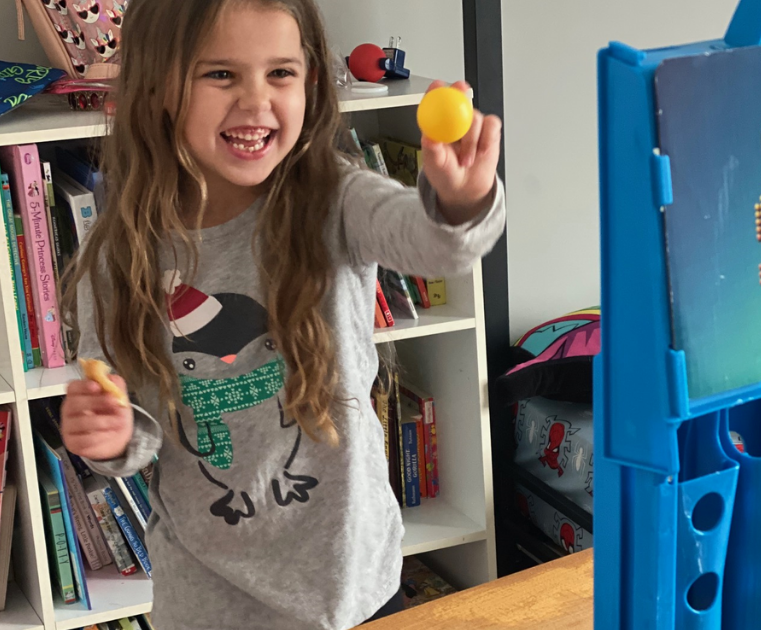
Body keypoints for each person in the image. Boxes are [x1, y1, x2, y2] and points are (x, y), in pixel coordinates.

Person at [57, 0, 505, 628]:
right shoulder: (119, 255)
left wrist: (461, 200)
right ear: (159, 86)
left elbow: (434, 244)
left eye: (280, 74)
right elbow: (135, 429)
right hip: (210, 602)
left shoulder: (336, 199)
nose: (255, 101)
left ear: (310, 83)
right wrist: (109, 437)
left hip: (352, 585)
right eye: (220, 75)